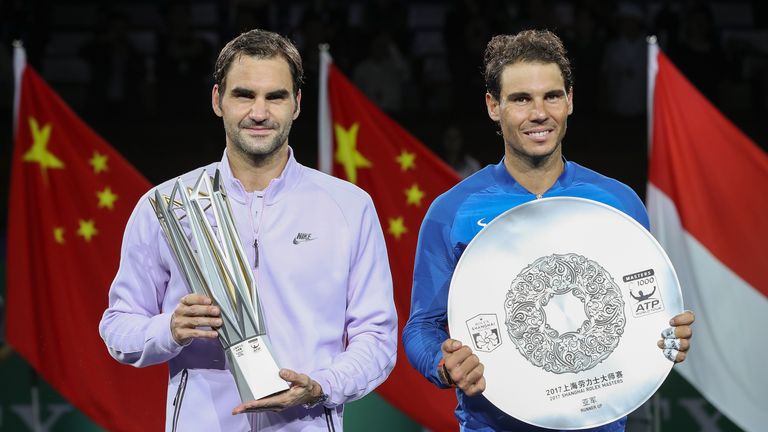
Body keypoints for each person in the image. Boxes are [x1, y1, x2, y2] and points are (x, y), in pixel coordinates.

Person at [99, 29, 398, 431]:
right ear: (217, 100)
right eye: (244, 95)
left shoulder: (348, 206)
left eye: (275, 96)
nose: (259, 112)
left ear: (296, 105)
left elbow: (376, 338)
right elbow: (119, 328)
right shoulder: (167, 205)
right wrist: (168, 328)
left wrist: (322, 386)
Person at [402, 30, 695, 432]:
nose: (539, 113)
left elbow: (645, 307)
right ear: (493, 105)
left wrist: (668, 332)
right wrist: (444, 363)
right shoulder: (452, 211)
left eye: (552, 96)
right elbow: (421, 327)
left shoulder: (618, 202)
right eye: (521, 99)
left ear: (570, 100)